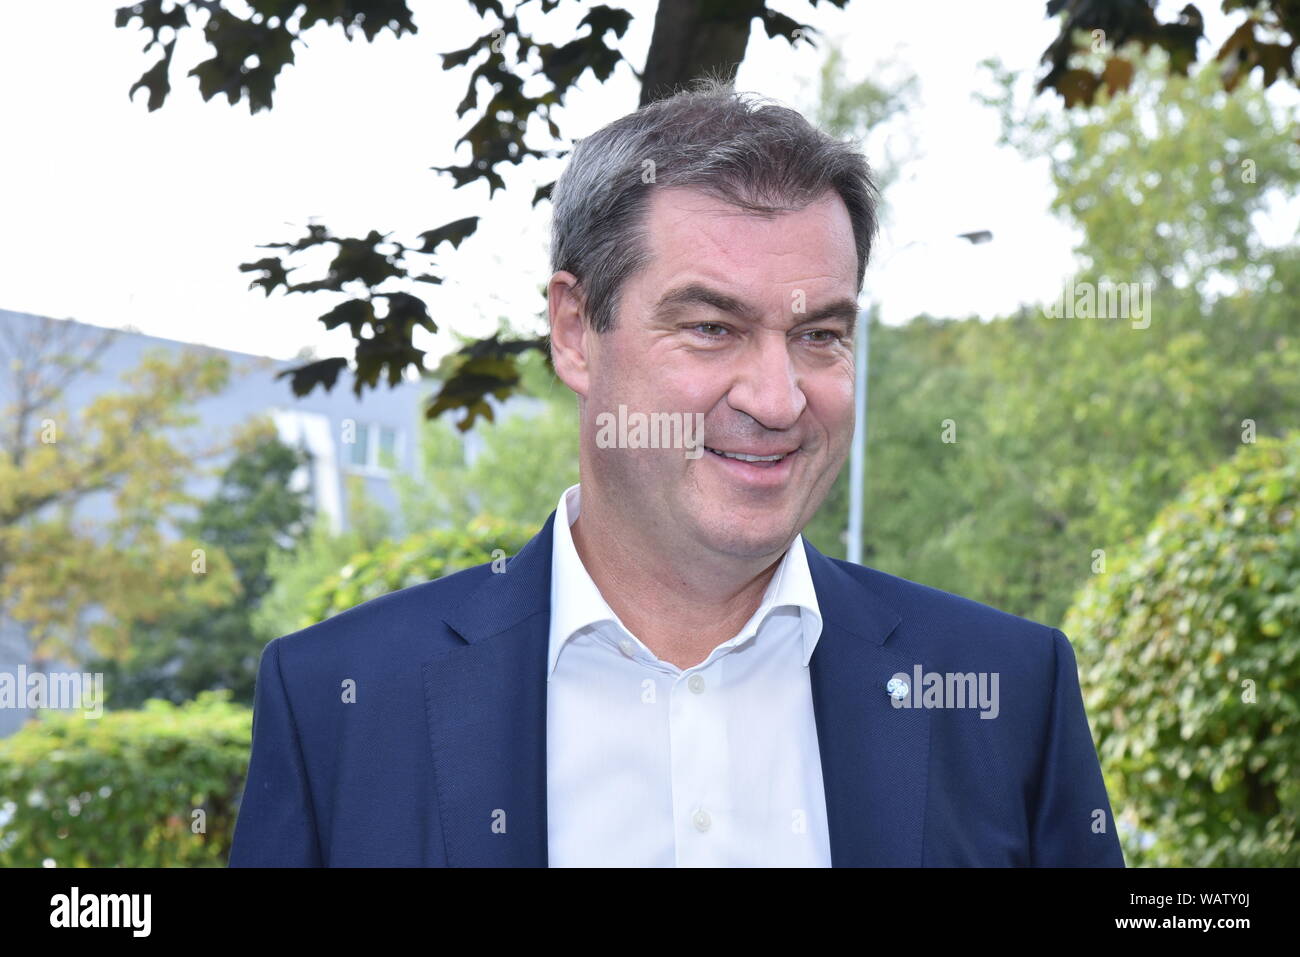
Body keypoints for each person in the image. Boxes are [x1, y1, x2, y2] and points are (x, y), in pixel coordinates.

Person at [229, 78, 1125, 867]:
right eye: (711, 327)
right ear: (577, 330)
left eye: (819, 336)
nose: (778, 399)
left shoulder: (1008, 694)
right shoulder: (338, 707)